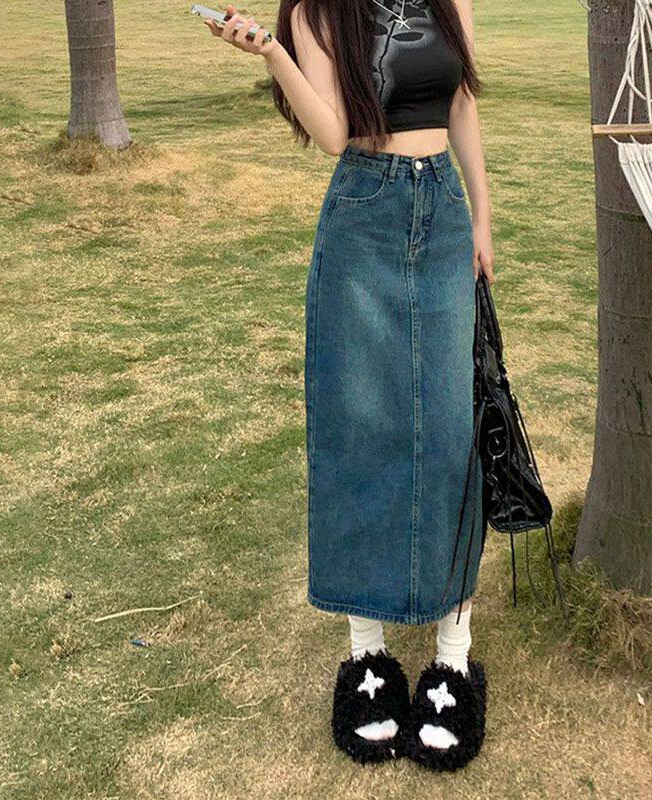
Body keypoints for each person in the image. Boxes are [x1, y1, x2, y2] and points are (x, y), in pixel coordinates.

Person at [206, 0, 494, 773]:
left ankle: (453, 662)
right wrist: (273, 54)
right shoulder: (318, 12)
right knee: (361, 429)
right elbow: (335, 133)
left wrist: (482, 218)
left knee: (450, 437)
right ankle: (367, 658)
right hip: (364, 213)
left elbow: (462, 104)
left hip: (442, 208)